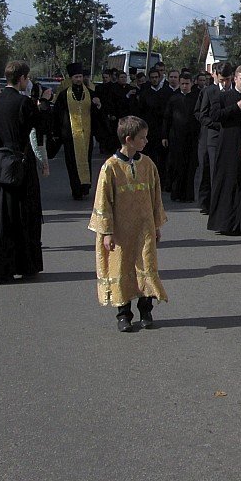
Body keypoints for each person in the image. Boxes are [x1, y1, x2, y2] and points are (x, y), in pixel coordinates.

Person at [89, 115, 168, 333]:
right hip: (121, 231)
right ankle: (124, 313)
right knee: (121, 266)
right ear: (128, 139)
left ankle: (146, 310)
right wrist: (107, 232)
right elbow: (103, 202)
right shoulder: (110, 168)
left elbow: (156, 196)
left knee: (146, 265)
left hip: (145, 228)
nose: (146, 141)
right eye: (142, 138)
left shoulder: (148, 164)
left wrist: (157, 225)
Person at [0, 61, 46, 283]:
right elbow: (38, 127)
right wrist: (43, 103)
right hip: (20, 162)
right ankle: (25, 264)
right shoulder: (24, 102)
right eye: (26, 78)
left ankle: (0, 266)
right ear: (21, 78)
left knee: (1, 215)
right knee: (25, 214)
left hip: (0, 163)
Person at [208, 64, 241, 236]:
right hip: (228, 143)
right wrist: (235, 107)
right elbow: (214, 116)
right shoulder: (223, 96)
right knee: (227, 181)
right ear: (235, 79)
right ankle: (225, 223)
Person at [54, 63, 101, 200]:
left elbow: (97, 114)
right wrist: (57, 133)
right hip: (70, 135)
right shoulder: (64, 95)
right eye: (76, 77)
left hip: (86, 134)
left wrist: (98, 105)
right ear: (71, 78)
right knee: (72, 162)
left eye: (80, 76)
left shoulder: (91, 94)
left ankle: (85, 186)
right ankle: (76, 189)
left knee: (86, 160)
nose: (79, 79)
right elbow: (57, 115)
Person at [160, 73, 199, 202]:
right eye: (182, 83)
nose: (184, 86)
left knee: (190, 167)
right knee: (177, 166)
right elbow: (167, 118)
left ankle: (188, 195)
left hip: (192, 138)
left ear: (191, 83)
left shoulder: (196, 97)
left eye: (187, 84)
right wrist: (164, 136)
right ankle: (176, 193)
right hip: (176, 137)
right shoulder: (174, 98)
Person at [136, 68, 170, 187]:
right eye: (152, 78)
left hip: (161, 130)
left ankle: (161, 181)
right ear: (149, 79)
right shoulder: (145, 93)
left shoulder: (164, 93)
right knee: (148, 157)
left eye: (156, 77)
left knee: (161, 158)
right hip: (148, 130)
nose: (155, 79)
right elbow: (140, 111)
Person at [193, 69, 221, 214]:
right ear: (215, 75)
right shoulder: (207, 91)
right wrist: (209, 122)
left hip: (220, 134)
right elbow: (198, 112)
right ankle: (204, 202)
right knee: (205, 166)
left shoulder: (227, 90)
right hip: (206, 133)